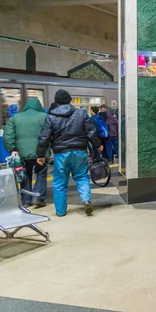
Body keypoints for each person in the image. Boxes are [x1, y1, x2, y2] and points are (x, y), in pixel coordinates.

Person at [37, 89, 102, 217]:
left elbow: (44, 137)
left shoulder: (51, 117)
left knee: (60, 182)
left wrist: (40, 154)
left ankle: (60, 211)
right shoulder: (81, 113)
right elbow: (91, 132)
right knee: (82, 177)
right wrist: (98, 145)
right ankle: (86, 200)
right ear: (69, 100)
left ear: (56, 102)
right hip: (80, 151)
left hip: (61, 153)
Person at [3, 98, 50, 207]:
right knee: (41, 173)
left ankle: (26, 200)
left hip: (22, 153)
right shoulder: (44, 117)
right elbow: (50, 134)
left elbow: (8, 136)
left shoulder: (14, 118)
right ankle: (38, 197)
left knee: (24, 175)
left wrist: (12, 149)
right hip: (40, 153)